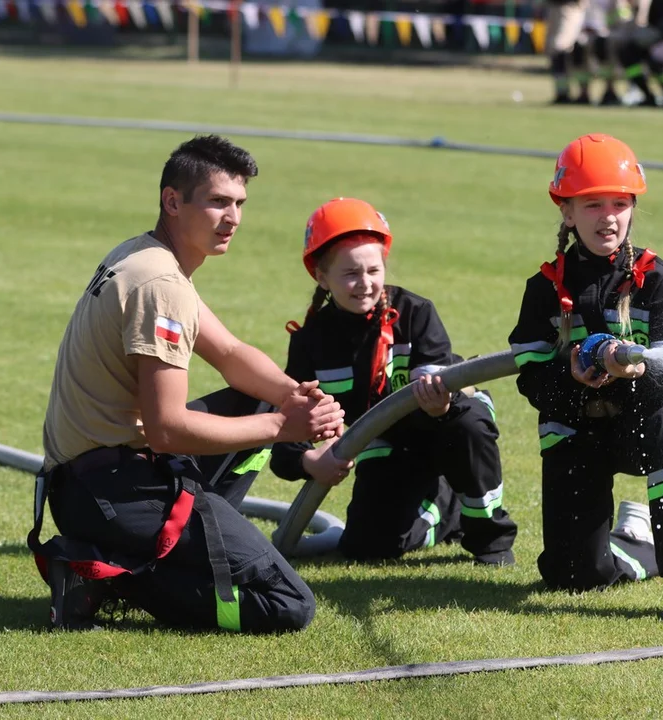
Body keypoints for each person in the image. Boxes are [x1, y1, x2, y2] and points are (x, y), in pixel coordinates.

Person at [27, 135, 347, 634]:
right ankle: (106, 576)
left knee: (257, 396)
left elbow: (233, 354)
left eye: (239, 203)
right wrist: (284, 426)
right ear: (172, 201)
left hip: (94, 481)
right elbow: (167, 430)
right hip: (111, 491)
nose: (233, 218)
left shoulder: (147, 256)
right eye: (218, 201)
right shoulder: (161, 286)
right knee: (287, 604)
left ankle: (163, 548)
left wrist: (296, 397)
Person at [507, 133, 663, 623]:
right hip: (575, 428)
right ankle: (637, 544)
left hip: (642, 423)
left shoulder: (659, 279)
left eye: (620, 202)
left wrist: (635, 373)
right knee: (572, 575)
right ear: (567, 212)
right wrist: (572, 374)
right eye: (592, 204)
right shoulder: (544, 288)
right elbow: (529, 378)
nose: (608, 216)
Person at [269, 198, 518, 566]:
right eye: (350, 273)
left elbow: (440, 391)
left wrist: (440, 403)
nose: (365, 283)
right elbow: (286, 432)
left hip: (445, 424)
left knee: (469, 425)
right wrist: (309, 462)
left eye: (374, 270)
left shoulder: (416, 313)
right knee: (367, 548)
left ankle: (490, 539)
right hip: (385, 441)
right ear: (321, 276)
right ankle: (447, 512)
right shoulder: (311, 341)